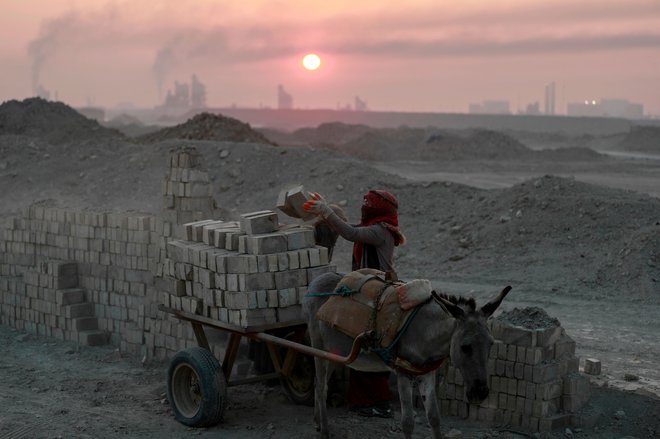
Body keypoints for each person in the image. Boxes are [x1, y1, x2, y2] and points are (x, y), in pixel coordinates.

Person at [304, 189, 406, 418]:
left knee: (368, 347)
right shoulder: (376, 228)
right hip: (369, 291)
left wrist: (327, 211)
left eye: (367, 203)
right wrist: (331, 213)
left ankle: (377, 403)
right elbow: (351, 229)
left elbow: (350, 233)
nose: (364, 205)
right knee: (363, 345)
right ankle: (369, 402)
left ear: (378, 208)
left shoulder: (380, 231)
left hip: (378, 295)